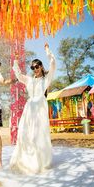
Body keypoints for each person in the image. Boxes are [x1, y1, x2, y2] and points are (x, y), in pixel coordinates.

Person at [10, 43, 56, 175]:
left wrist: (47, 50)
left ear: (41, 67)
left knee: (38, 134)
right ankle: (28, 160)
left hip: (40, 107)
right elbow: (18, 74)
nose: (35, 69)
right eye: (32, 67)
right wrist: (16, 60)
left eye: (37, 66)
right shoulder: (29, 80)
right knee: (26, 133)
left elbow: (53, 63)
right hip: (29, 108)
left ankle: (40, 161)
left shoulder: (46, 79)